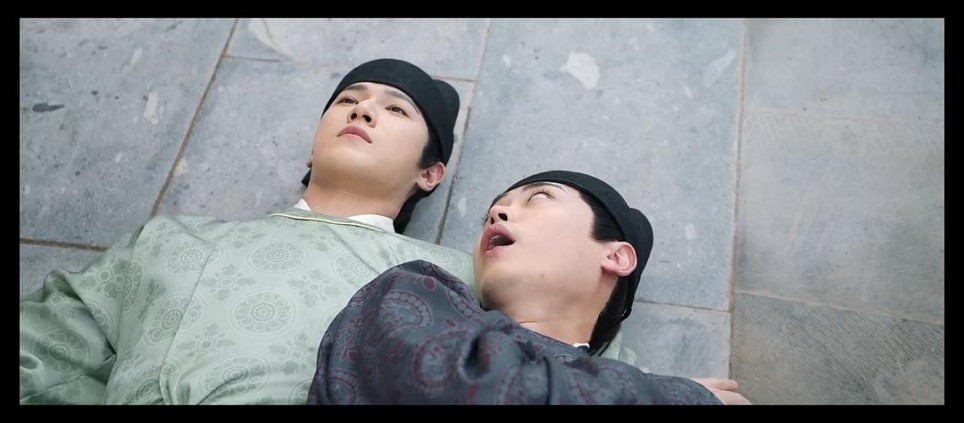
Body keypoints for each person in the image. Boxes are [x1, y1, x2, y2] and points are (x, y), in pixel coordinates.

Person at [19, 58, 477, 404]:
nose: (362, 110)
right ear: (311, 154)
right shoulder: (169, 239)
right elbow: (47, 350)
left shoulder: (452, 278)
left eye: (396, 109)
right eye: (347, 101)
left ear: (430, 174)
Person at [308, 170, 750, 405]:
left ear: (616, 256)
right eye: (492, 211)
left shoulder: (623, 387)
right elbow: (471, 390)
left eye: (538, 198)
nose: (497, 213)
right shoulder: (415, 293)